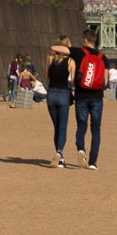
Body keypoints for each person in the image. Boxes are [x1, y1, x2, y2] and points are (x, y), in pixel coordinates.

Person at [70, 31, 109, 169]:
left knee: (81, 126)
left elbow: (57, 49)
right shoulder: (103, 57)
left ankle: (81, 149)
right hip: (97, 97)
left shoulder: (78, 53)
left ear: (85, 40)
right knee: (96, 129)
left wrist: (67, 46)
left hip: (81, 96)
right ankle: (93, 162)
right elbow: (105, 81)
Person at [44, 37, 74, 168]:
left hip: (51, 93)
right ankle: (59, 152)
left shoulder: (49, 58)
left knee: (56, 127)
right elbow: (73, 83)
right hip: (63, 94)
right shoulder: (70, 62)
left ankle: (60, 157)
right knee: (62, 128)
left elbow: (47, 76)